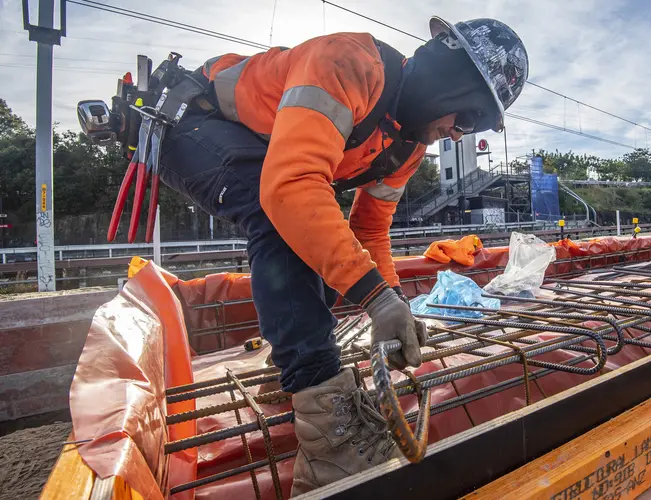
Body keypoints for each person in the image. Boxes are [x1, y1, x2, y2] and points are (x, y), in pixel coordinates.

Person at [156, 17, 528, 493]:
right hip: (197, 121)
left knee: (322, 234)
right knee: (284, 216)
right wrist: (375, 299)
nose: (459, 134)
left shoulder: (407, 148)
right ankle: (328, 441)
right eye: (470, 117)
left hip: (265, 151)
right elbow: (289, 186)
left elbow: (369, 230)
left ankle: (292, 371)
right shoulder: (349, 62)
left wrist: (391, 298)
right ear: (452, 80)